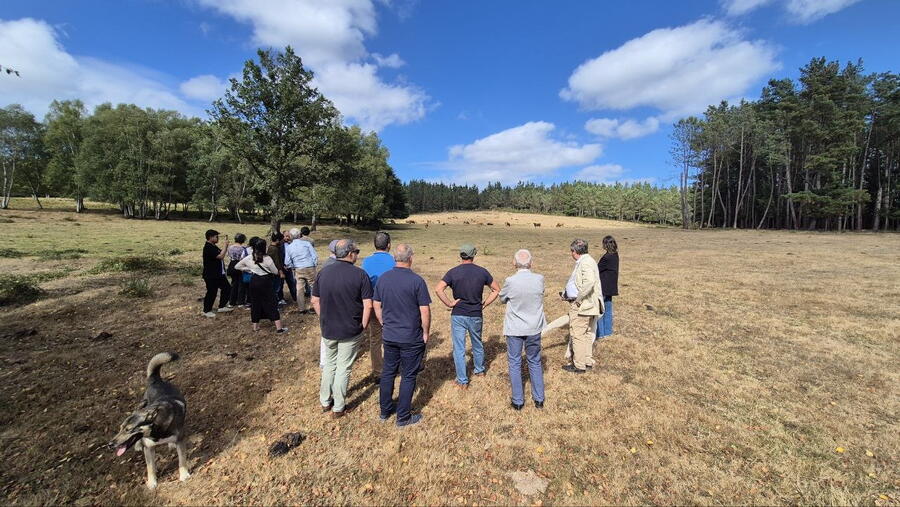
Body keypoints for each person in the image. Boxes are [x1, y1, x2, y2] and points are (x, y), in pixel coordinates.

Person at [311, 239, 372, 418]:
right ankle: (339, 406)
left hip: (328, 329)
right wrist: (364, 324)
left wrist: (323, 317)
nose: (357, 255)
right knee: (343, 368)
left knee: (329, 365)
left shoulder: (323, 273)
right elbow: (367, 305)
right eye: (357, 252)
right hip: (350, 330)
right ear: (350, 253)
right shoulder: (360, 275)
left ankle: (324, 401)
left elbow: (315, 300)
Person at [373, 244, 431, 427]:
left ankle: (385, 410)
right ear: (410, 258)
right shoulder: (417, 281)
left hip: (390, 336)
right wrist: (426, 332)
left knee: (388, 372)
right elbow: (425, 311)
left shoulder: (383, 279)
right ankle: (403, 417)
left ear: (394, 258)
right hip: (411, 337)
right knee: (408, 375)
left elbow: (376, 304)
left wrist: (384, 323)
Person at [434, 243, 500, 388]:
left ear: (461, 255)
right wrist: (485, 303)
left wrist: (450, 303)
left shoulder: (453, 272)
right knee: (477, 342)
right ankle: (479, 370)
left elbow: (438, 289)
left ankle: (462, 380)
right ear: (473, 255)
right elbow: (496, 290)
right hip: (476, 313)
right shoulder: (482, 272)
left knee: (459, 348)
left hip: (458, 314)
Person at [499, 249, 546, 410]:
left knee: (514, 362)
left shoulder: (510, 281)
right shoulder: (539, 279)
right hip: (534, 327)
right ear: (531, 263)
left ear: (514, 263)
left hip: (515, 328)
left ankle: (518, 401)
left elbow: (502, 298)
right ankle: (539, 399)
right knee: (534, 360)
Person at [561, 239, 604, 374]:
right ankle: (586, 361)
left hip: (584, 305)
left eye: (571, 251)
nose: (571, 254)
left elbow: (589, 282)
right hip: (589, 304)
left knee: (578, 334)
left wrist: (578, 300)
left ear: (575, 251)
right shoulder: (587, 261)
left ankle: (579, 365)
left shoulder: (585, 263)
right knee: (585, 333)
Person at [361, 232, 395, 383]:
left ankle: (378, 371)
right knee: (393, 335)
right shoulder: (394, 261)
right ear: (389, 245)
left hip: (374, 304)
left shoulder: (366, 261)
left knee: (375, 338)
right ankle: (393, 365)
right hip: (392, 304)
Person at [235, 240, 288, 333]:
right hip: (265, 281)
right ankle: (279, 328)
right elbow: (275, 272)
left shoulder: (249, 258)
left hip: (254, 281)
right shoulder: (267, 258)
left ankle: (255, 327)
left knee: (255, 303)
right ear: (264, 248)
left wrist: (250, 269)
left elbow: (237, 266)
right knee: (271, 302)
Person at [284, 227, 318, 313]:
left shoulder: (289, 247)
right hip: (310, 267)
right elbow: (314, 255)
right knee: (313, 287)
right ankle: (314, 306)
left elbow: (287, 262)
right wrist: (314, 265)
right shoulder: (306, 244)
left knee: (299, 289)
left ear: (291, 236)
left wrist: (293, 266)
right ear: (300, 235)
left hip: (298, 268)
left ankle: (301, 309)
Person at [201, 229, 233, 318]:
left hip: (219, 274)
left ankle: (222, 306)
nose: (218, 238)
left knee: (227, 288)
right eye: (216, 237)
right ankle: (206, 310)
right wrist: (226, 246)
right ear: (210, 237)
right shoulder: (208, 247)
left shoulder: (213, 246)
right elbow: (221, 256)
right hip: (211, 275)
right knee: (212, 292)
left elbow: (221, 253)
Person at [596, 235, 619, 340]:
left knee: (600, 310)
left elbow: (597, 269)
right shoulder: (615, 255)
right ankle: (608, 332)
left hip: (603, 287)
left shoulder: (606, 257)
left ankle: (600, 333)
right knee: (608, 309)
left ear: (606, 244)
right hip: (611, 287)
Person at [226, 233, 249, 307]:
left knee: (234, 283)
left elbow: (229, 255)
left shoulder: (230, 247)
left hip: (232, 265)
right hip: (240, 265)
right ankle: (240, 302)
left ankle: (231, 301)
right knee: (241, 285)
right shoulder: (243, 249)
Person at [267, 232, 286, 303]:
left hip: (272, 271)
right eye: (281, 240)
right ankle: (276, 302)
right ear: (277, 240)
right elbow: (277, 262)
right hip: (276, 272)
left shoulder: (270, 247)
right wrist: (281, 272)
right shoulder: (275, 249)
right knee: (277, 287)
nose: (282, 242)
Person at [279, 231, 297, 306]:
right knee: (281, 284)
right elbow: (279, 257)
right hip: (282, 267)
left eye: (288, 236)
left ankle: (295, 297)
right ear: (283, 236)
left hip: (289, 267)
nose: (287, 237)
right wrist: (282, 266)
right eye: (286, 236)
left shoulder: (292, 244)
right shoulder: (280, 245)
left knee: (291, 283)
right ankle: (280, 298)